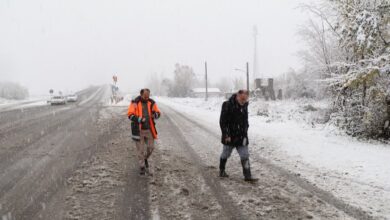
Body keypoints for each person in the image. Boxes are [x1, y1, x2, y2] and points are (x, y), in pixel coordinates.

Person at [219, 90, 258, 182]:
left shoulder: (244, 105)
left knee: (245, 155)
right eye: (242, 99)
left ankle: (247, 176)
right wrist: (226, 134)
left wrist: (245, 131)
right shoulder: (227, 105)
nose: (243, 101)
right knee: (225, 154)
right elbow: (222, 122)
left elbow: (245, 121)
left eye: (245, 99)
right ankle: (222, 170)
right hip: (230, 136)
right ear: (237, 96)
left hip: (241, 136)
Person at [128, 88, 161, 175]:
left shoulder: (152, 103)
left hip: (149, 130)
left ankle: (145, 158)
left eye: (148, 96)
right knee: (140, 150)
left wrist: (155, 115)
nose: (147, 98)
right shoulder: (135, 103)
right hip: (138, 130)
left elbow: (158, 113)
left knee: (151, 148)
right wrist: (139, 119)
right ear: (141, 94)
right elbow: (130, 115)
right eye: (145, 96)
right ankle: (142, 166)